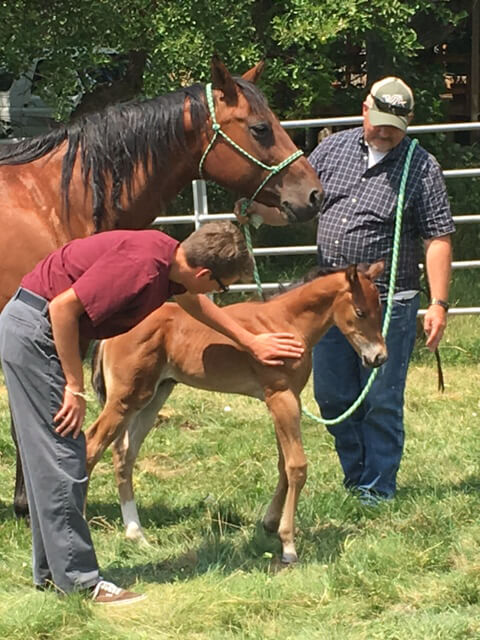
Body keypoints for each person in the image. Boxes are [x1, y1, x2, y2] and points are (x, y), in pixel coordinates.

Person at [0, 221, 304, 604]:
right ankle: (79, 581)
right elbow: (63, 308)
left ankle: (52, 575)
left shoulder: (169, 258)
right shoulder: (141, 269)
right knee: (64, 458)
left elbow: (193, 301)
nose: (219, 294)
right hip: (38, 332)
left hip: (33, 327)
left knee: (55, 456)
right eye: (221, 287)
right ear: (204, 273)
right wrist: (74, 386)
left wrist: (249, 340)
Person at [235, 76, 454, 505]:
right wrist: (258, 212)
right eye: (380, 120)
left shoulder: (420, 166)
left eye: (396, 124)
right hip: (330, 300)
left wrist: (439, 303)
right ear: (364, 109)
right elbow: (301, 209)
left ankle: (377, 488)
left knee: (380, 399)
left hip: (388, 300)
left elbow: (438, 237)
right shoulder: (332, 150)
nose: (386, 130)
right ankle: (356, 478)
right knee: (332, 396)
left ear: (408, 122)